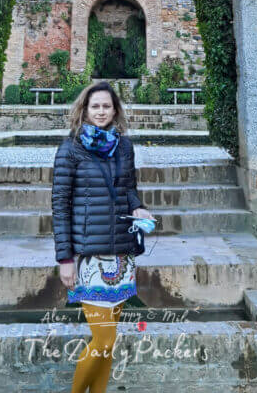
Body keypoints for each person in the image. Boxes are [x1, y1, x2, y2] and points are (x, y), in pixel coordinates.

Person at [52, 80, 156, 393]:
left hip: (121, 255)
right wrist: (65, 258)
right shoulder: (70, 147)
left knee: (109, 343)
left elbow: (128, 190)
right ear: (84, 109)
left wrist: (138, 209)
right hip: (89, 257)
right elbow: (60, 205)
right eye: (95, 106)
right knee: (104, 338)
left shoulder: (124, 146)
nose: (100, 112)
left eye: (106, 106)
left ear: (115, 110)